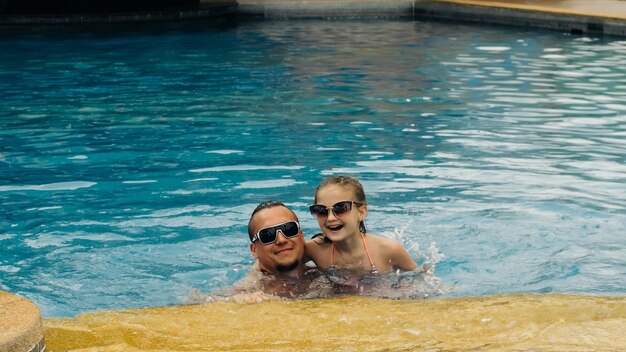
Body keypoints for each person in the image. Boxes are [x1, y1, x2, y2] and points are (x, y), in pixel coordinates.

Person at [306, 176, 417, 276]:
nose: (330, 218)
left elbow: (420, 277)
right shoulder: (314, 250)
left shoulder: (388, 250)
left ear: (361, 212)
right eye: (321, 210)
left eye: (341, 208)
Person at [231, 200, 329, 303]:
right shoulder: (250, 291)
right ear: (254, 250)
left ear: (301, 236)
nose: (281, 240)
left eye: (289, 229)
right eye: (268, 235)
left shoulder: (326, 273)